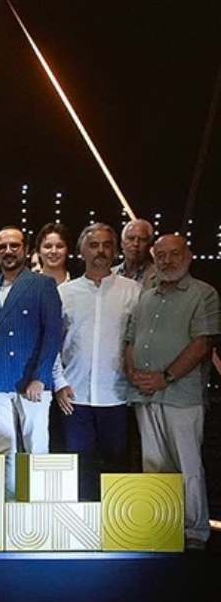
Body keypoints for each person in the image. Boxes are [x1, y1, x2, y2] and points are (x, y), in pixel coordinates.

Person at [124, 234, 218, 550]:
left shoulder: (203, 294)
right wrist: (132, 372)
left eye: (174, 254)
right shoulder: (145, 296)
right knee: (153, 464)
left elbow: (202, 343)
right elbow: (130, 339)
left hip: (181, 396)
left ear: (188, 256)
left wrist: (165, 378)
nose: (167, 261)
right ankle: (162, 527)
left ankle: (194, 532)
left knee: (187, 465)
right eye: (161, 255)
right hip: (144, 394)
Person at [0, 226, 64, 499]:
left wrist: (41, 377)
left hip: (32, 381)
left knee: (36, 448)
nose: (8, 251)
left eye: (14, 245)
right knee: (2, 450)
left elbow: (53, 336)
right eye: (2, 247)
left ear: (26, 249)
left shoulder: (42, 285)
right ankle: (6, 506)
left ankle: (40, 506)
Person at [52, 223, 139, 500]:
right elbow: (52, 343)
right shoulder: (65, 293)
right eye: (93, 245)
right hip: (74, 395)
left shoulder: (134, 292)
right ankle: (82, 521)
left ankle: (115, 521)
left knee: (117, 466)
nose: (100, 251)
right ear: (81, 251)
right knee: (79, 468)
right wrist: (59, 383)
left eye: (106, 245)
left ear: (115, 251)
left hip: (117, 395)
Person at [112, 218, 158, 288]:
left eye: (142, 239)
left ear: (149, 245)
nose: (135, 244)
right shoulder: (108, 274)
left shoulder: (159, 276)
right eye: (131, 238)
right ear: (122, 243)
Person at [35, 222, 71, 287]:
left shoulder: (79, 286)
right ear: (38, 252)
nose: (54, 251)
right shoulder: (29, 286)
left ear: (67, 251)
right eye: (48, 246)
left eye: (59, 246)